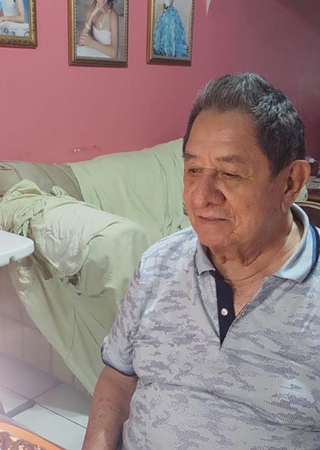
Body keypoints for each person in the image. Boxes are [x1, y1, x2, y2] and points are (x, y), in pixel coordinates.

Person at [82, 73, 319, 449]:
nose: (200, 197)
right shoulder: (158, 264)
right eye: (193, 170)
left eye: (230, 174)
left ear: (291, 181)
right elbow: (117, 379)